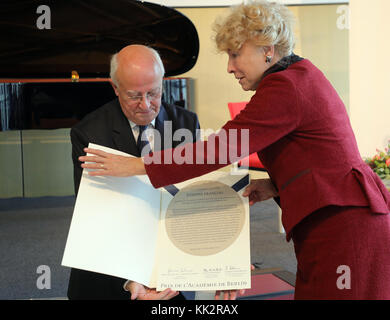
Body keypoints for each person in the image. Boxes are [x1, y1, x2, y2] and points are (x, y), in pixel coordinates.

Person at [78, 1, 390, 300]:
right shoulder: (296, 78)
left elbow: (223, 147)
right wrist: (276, 185)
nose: (229, 67)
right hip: (342, 217)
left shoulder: (285, 87)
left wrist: (136, 166)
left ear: (267, 50)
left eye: (235, 54)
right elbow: (318, 157)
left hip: (345, 227)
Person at [67, 44, 200, 300]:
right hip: (109, 272)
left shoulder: (186, 123)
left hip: (169, 266)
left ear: (162, 83)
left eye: (154, 92)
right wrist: (131, 278)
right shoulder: (89, 133)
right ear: (115, 88)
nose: (146, 105)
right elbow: (96, 217)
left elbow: (187, 203)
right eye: (134, 95)